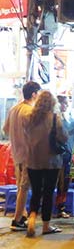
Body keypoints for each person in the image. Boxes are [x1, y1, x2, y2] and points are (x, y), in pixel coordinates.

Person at [23, 91, 68, 237]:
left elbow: (26, 136)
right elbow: (63, 138)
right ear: (52, 103)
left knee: (36, 191)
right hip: (51, 161)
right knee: (48, 193)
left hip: (32, 160)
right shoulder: (55, 118)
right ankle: (46, 226)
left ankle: (31, 219)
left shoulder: (29, 117)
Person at [3, 81, 40, 231]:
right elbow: (37, 135)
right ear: (34, 94)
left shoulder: (14, 109)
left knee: (21, 187)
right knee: (24, 188)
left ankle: (22, 214)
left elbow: (5, 130)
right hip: (28, 155)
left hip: (16, 154)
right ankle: (17, 220)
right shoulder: (30, 111)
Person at [55, 94, 74, 219]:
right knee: (55, 183)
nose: (66, 105)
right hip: (56, 156)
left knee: (64, 183)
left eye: (67, 103)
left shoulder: (69, 120)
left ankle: (61, 208)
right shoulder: (55, 119)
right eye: (64, 103)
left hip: (66, 156)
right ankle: (55, 208)